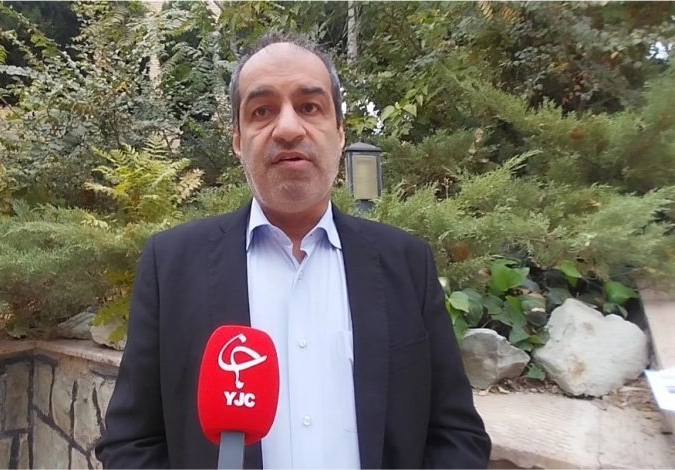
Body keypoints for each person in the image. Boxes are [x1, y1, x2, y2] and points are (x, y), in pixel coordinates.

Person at [95, 33, 491, 469]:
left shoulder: (407, 263)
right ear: (238, 140)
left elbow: (456, 435)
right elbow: (131, 442)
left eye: (309, 107)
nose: (287, 128)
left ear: (339, 133)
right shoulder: (171, 265)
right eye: (262, 111)